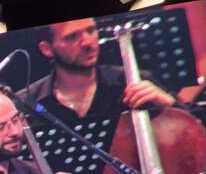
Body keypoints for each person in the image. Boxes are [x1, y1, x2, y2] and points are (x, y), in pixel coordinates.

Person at [23, 18, 179, 123]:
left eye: (91, 31)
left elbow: (193, 124)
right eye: (72, 37)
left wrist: (169, 103)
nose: (87, 43)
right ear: (47, 49)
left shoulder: (134, 80)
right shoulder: (27, 102)